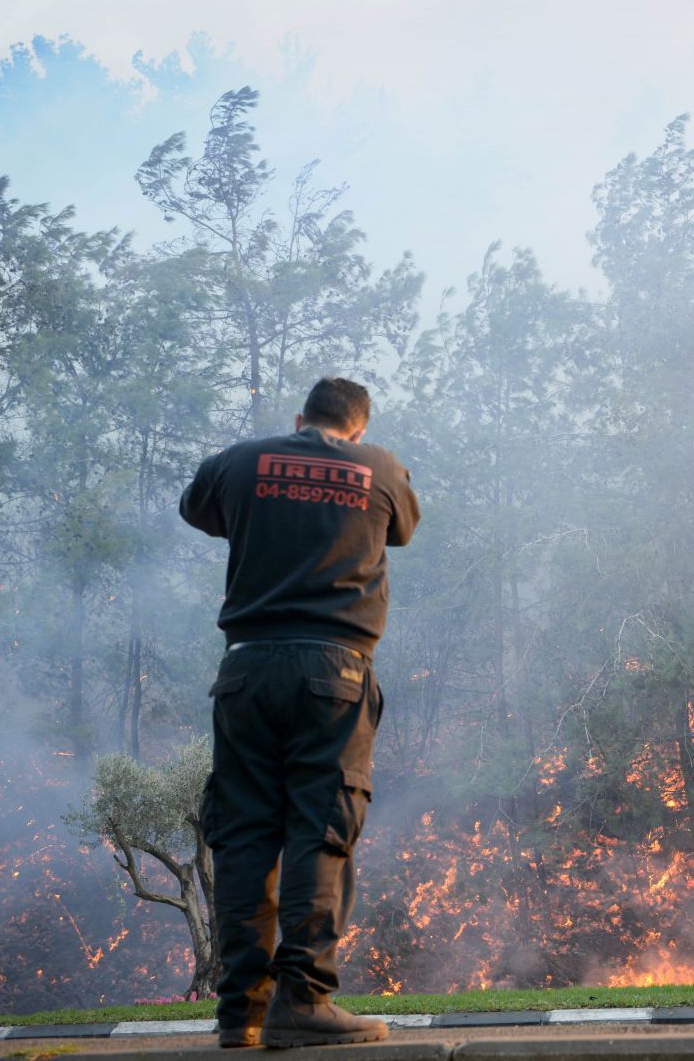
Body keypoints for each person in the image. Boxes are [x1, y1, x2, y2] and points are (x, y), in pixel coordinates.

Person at [181, 377, 420, 1048]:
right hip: (333, 673)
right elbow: (401, 528)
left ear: (299, 417)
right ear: (360, 427)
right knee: (319, 828)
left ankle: (241, 1012)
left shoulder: (240, 461)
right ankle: (304, 1001)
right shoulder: (379, 467)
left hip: (248, 668)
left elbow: (197, 508)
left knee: (245, 834)